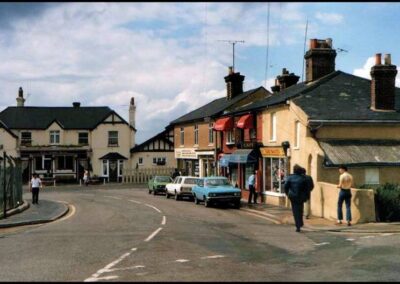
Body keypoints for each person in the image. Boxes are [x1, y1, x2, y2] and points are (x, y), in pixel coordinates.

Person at [284, 164, 308, 232]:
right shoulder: (303, 178)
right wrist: (306, 196)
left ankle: (298, 225)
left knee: (295, 211)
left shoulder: (290, 177)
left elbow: (286, 186)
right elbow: (306, 188)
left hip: (293, 196)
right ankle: (300, 223)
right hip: (301, 197)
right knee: (300, 210)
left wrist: (287, 193)